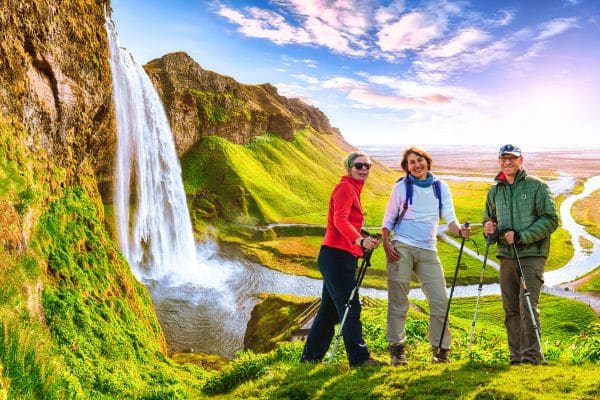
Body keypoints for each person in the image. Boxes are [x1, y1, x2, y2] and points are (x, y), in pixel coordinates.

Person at [381, 146, 470, 366]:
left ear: (427, 162)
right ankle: (397, 349)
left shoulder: (440, 187)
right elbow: (388, 219)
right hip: (402, 246)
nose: (416, 165)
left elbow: (450, 218)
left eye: (419, 160)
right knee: (398, 300)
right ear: (407, 167)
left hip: (429, 249)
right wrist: (386, 244)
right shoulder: (401, 187)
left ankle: (440, 351)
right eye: (411, 162)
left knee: (440, 300)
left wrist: (459, 231)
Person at [300, 151, 384, 367]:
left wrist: (363, 236)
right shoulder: (346, 187)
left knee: (328, 312)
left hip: (336, 257)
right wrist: (359, 241)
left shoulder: (353, 189)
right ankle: (360, 359)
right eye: (359, 166)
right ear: (349, 168)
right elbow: (339, 220)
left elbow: (347, 222)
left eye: (367, 166)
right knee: (350, 306)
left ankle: (310, 359)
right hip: (337, 258)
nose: (364, 169)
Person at [483, 144, 558, 365]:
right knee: (510, 308)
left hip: (531, 255)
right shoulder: (494, 191)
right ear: (499, 161)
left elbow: (551, 220)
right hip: (506, 256)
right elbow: (489, 221)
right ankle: (516, 358)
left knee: (527, 306)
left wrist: (522, 236)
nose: (508, 162)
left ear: (521, 160)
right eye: (504, 159)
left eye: (512, 159)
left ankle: (532, 358)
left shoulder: (537, 187)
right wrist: (489, 228)